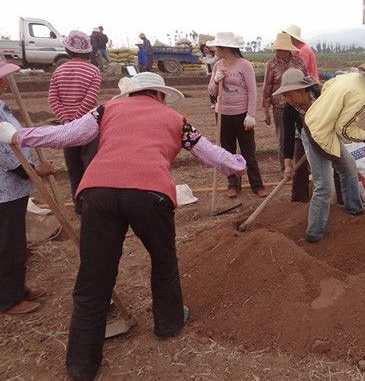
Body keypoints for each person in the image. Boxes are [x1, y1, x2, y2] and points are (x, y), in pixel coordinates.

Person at [0, 72, 247, 379]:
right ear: (159, 94)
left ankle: (81, 364)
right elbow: (208, 152)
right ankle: (168, 323)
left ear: (130, 95)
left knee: (94, 275)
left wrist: (17, 137)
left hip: (98, 192)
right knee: (163, 261)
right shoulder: (176, 118)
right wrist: (238, 163)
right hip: (151, 194)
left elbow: (66, 135)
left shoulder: (105, 111)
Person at [301, 51, 365, 242]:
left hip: (322, 127)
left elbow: (328, 87)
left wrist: (329, 111)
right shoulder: (361, 95)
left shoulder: (352, 77)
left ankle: (353, 209)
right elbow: (344, 129)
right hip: (319, 134)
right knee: (324, 187)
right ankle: (314, 234)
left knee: (348, 168)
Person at [0, 60, 54, 315]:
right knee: (8, 244)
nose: (5, 83)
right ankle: (8, 299)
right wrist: (33, 171)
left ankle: (16, 289)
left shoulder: (3, 107)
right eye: (1, 79)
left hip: (12, 190)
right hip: (5, 191)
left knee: (15, 241)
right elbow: (8, 156)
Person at [208, 32, 268, 198]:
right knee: (228, 151)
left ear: (227, 48)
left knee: (249, 151)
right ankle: (233, 184)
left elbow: (252, 91)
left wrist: (251, 115)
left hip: (242, 115)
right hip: (223, 114)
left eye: (218, 47)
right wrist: (216, 80)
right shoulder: (217, 66)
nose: (216, 50)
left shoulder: (244, 65)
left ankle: (257, 185)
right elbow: (211, 91)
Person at [49, 30, 102, 214]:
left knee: (73, 167)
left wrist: (67, 120)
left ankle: (79, 206)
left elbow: (53, 99)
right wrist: (79, 118)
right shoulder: (93, 70)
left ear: (67, 50)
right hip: (88, 126)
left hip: (67, 128)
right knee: (91, 164)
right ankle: (93, 205)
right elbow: (91, 98)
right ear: (88, 51)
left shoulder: (59, 70)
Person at [272, 68, 320, 202]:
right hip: (304, 133)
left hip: (326, 131)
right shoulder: (289, 108)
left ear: (303, 90)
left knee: (335, 165)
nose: (288, 99)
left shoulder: (320, 96)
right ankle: (298, 202)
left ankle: (340, 201)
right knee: (299, 164)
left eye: (290, 95)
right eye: (285, 95)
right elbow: (288, 136)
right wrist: (288, 164)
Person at [262, 33, 308, 172]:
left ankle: (304, 166)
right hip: (280, 106)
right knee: (284, 137)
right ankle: (285, 168)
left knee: (303, 135)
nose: (279, 52)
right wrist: (266, 111)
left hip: (300, 106)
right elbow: (267, 87)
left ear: (288, 49)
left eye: (282, 49)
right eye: (277, 49)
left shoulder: (299, 62)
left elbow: (306, 81)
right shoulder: (271, 65)